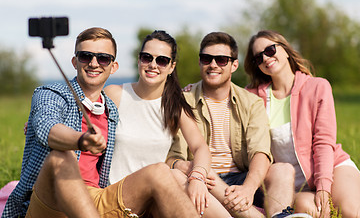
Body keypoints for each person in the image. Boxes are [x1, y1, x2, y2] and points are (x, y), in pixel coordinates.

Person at [2, 27, 201, 218]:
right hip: (49, 202)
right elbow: (48, 127)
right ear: (74, 61)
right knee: (61, 157)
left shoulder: (111, 110)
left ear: (113, 67)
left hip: (95, 200)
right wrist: (80, 140)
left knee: (160, 171)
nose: (94, 63)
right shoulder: (51, 94)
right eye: (85, 56)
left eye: (103, 58)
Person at [167, 32, 310, 218]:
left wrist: (248, 189)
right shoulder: (182, 102)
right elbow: (173, 157)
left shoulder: (251, 102)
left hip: (241, 177)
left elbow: (260, 152)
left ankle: (278, 214)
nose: (213, 65)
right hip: (201, 177)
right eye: (206, 58)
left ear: (234, 65)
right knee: (203, 171)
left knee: (283, 170)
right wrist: (195, 170)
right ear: (200, 62)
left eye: (221, 60)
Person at [105, 30, 231, 217]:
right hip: (119, 197)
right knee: (173, 175)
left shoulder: (174, 105)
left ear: (171, 67)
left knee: (180, 176)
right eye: (147, 57)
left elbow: (200, 148)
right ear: (139, 60)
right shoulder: (115, 94)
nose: (153, 65)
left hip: (155, 200)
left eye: (161, 60)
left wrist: (197, 177)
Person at [244, 29, 360, 218]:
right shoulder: (252, 97)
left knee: (350, 212)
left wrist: (323, 186)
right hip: (293, 183)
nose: (265, 58)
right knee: (306, 208)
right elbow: (222, 93)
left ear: (286, 49)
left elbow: (323, 141)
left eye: (270, 50)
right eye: (258, 57)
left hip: (330, 168)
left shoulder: (317, 87)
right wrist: (191, 91)